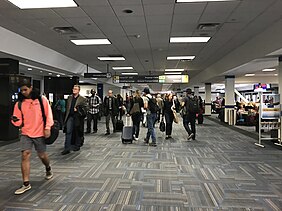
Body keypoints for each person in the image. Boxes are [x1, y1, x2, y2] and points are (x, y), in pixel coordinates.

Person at [11, 79, 54, 195]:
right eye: (21, 90)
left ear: (31, 88)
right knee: (25, 154)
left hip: (40, 132)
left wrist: (48, 127)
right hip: (26, 133)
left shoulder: (41, 100)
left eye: (25, 89)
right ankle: (26, 183)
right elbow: (17, 119)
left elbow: (48, 114)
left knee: (42, 155)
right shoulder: (19, 103)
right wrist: (16, 122)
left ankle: (48, 168)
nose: (24, 92)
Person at [61, 85, 88, 155]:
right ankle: (67, 148)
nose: (74, 90)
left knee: (77, 131)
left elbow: (85, 109)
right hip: (70, 117)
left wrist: (78, 109)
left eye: (76, 89)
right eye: (73, 89)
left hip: (78, 118)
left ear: (79, 90)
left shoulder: (82, 99)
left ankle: (77, 145)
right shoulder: (69, 98)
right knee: (68, 131)